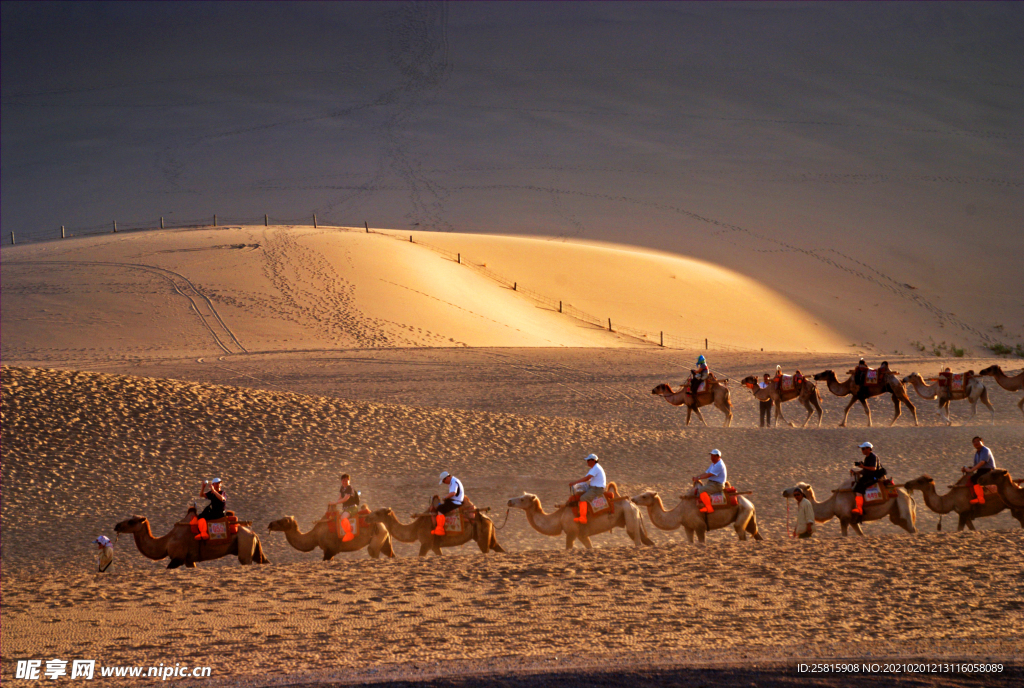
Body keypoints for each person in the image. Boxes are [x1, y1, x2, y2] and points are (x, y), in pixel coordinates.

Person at [569, 454, 607, 525]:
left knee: (583, 498)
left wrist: (574, 483)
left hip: (597, 489)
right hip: (592, 488)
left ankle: (583, 518)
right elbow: (585, 478)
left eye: (588, 460)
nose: (587, 462)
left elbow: (587, 478)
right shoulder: (593, 469)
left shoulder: (596, 468)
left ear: (593, 460)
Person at [850, 442, 885, 516]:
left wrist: (862, 466)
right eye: (862, 449)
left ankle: (860, 509)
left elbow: (873, 468)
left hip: (873, 477)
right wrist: (857, 472)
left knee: (859, 487)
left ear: (869, 449)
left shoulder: (873, 457)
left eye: (863, 449)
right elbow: (866, 470)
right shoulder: (867, 457)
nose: (862, 450)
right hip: (867, 476)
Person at [963, 436, 996, 505]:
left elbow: (982, 462)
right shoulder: (977, 453)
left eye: (978, 441)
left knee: (975, 478)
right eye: (974, 442)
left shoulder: (985, 450)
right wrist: (966, 468)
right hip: (981, 471)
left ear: (982, 442)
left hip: (988, 470)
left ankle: (980, 498)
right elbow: (976, 465)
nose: (976, 443)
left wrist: (971, 470)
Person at [692, 449, 727, 514]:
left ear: (719, 457)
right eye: (711, 456)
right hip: (712, 483)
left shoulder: (719, 465)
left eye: (714, 456)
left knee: (701, 490)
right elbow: (706, 473)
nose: (712, 458)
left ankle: (709, 508)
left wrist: (698, 478)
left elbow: (708, 475)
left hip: (717, 485)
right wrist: (697, 477)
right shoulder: (713, 464)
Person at [433, 471, 465, 536]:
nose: (444, 483)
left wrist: (445, 497)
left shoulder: (454, 482)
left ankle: (440, 530)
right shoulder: (453, 481)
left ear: (447, 478)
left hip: (456, 502)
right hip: (455, 501)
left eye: (444, 481)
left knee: (440, 509)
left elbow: (453, 493)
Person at [332, 474, 359, 542]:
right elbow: (340, 498)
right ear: (341, 481)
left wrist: (336, 502)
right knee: (336, 517)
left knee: (343, 518)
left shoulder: (349, 488)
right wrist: (336, 502)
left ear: (349, 481)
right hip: (346, 509)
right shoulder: (342, 488)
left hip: (352, 508)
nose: (344, 482)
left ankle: (349, 534)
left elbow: (345, 499)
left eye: (346, 480)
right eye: (343, 480)